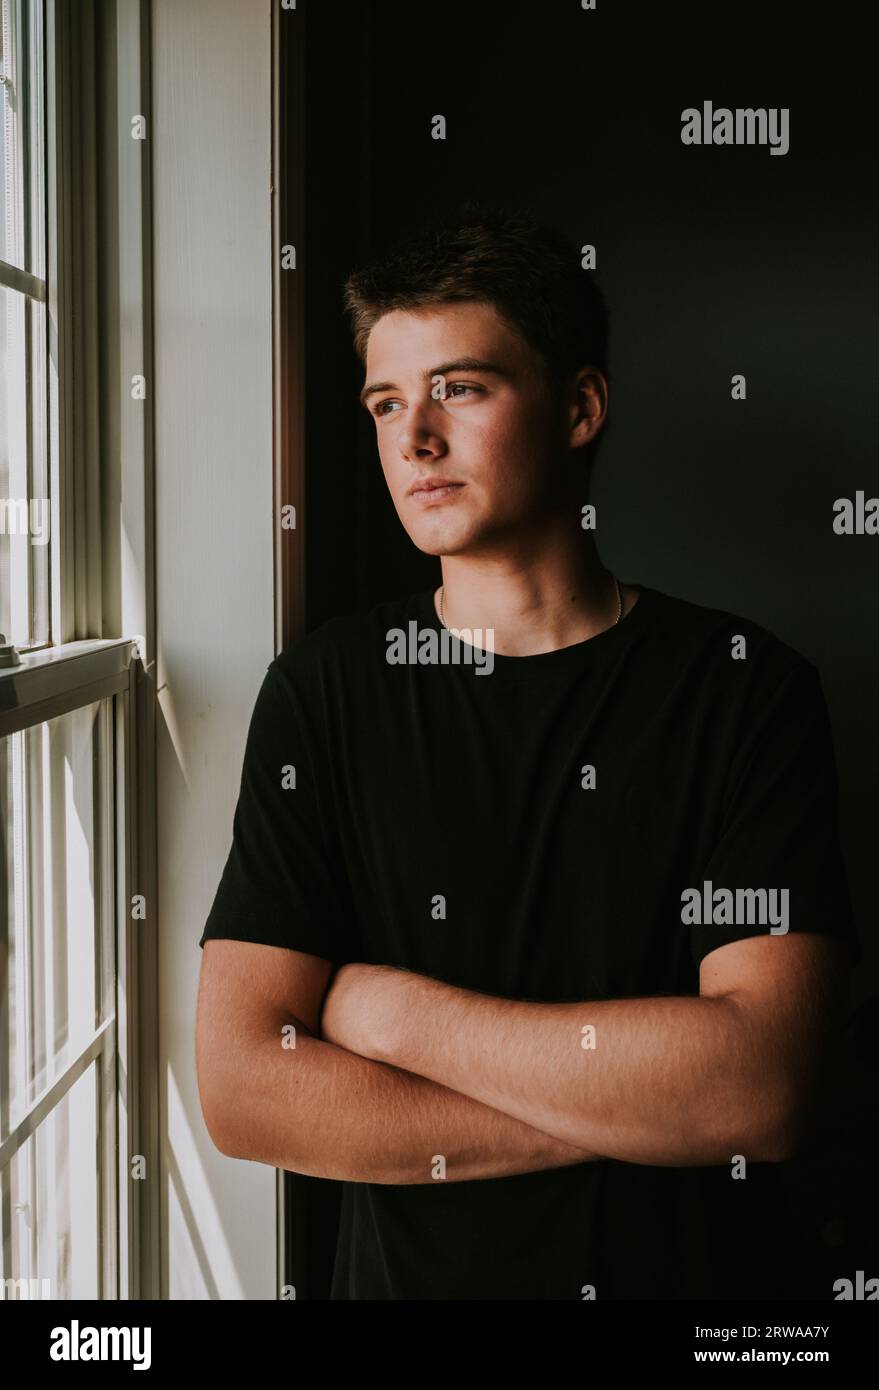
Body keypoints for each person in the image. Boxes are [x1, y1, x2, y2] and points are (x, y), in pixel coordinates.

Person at [196, 205, 860, 1299]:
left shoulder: (745, 689)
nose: (414, 440)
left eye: (459, 389)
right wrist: (635, 1107)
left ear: (580, 407)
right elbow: (241, 1091)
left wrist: (394, 1015)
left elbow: (757, 1089)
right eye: (386, 402)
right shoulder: (324, 694)